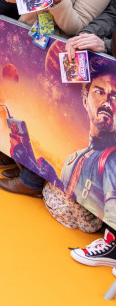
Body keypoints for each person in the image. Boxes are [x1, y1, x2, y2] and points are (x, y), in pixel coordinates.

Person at [60, 57, 116, 223]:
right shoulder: (72, 158)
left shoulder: (112, 160)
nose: (107, 102)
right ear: (85, 100)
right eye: (99, 92)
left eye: (114, 96)